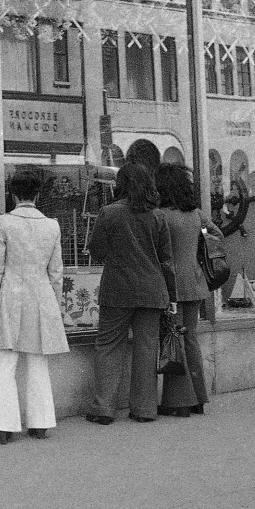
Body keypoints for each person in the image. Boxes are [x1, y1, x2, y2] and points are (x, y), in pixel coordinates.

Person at [86, 163, 176, 425]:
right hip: (152, 291)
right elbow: (166, 260)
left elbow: (97, 251)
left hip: (117, 290)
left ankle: (103, 408)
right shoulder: (157, 216)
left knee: (108, 346)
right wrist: (171, 296)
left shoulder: (109, 213)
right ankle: (145, 409)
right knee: (147, 348)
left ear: (121, 184)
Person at [0, 170, 68, 444]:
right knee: (38, 361)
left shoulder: (4, 223)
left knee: (7, 361)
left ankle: (5, 426)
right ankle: (40, 422)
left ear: (13, 195)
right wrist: (56, 307)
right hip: (41, 296)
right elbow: (56, 273)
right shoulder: (52, 226)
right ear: (38, 195)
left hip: (10, 295)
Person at [156, 164, 222, 417]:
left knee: (173, 337)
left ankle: (178, 401)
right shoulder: (196, 214)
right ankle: (198, 397)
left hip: (170, 283)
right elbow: (216, 235)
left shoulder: (161, 215)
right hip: (194, 281)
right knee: (190, 338)